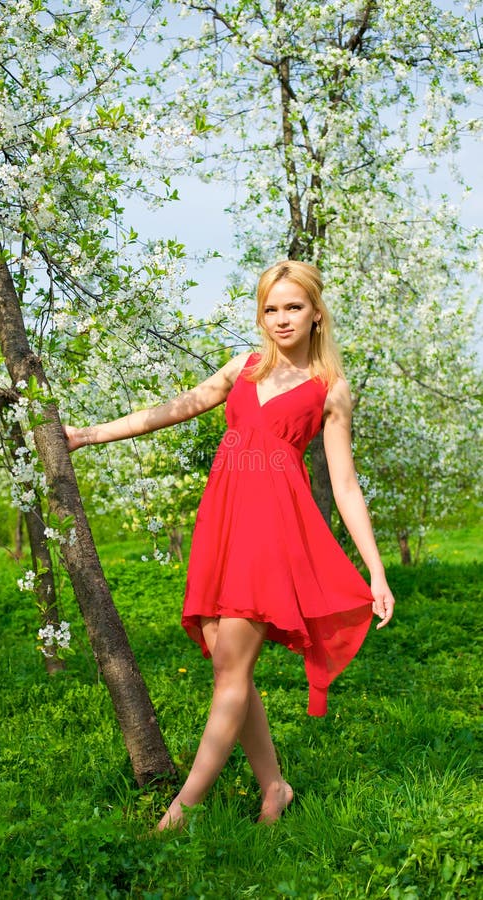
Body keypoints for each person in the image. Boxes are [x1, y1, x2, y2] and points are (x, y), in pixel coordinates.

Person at [63, 260, 395, 831]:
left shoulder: (330, 389)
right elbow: (172, 410)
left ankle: (181, 810)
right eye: (271, 308)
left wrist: (377, 570)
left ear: (316, 312)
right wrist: (86, 436)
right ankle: (275, 786)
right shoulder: (241, 368)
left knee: (231, 671)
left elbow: (344, 483)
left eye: (294, 307)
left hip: (273, 536)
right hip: (222, 526)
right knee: (228, 665)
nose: (282, 319)